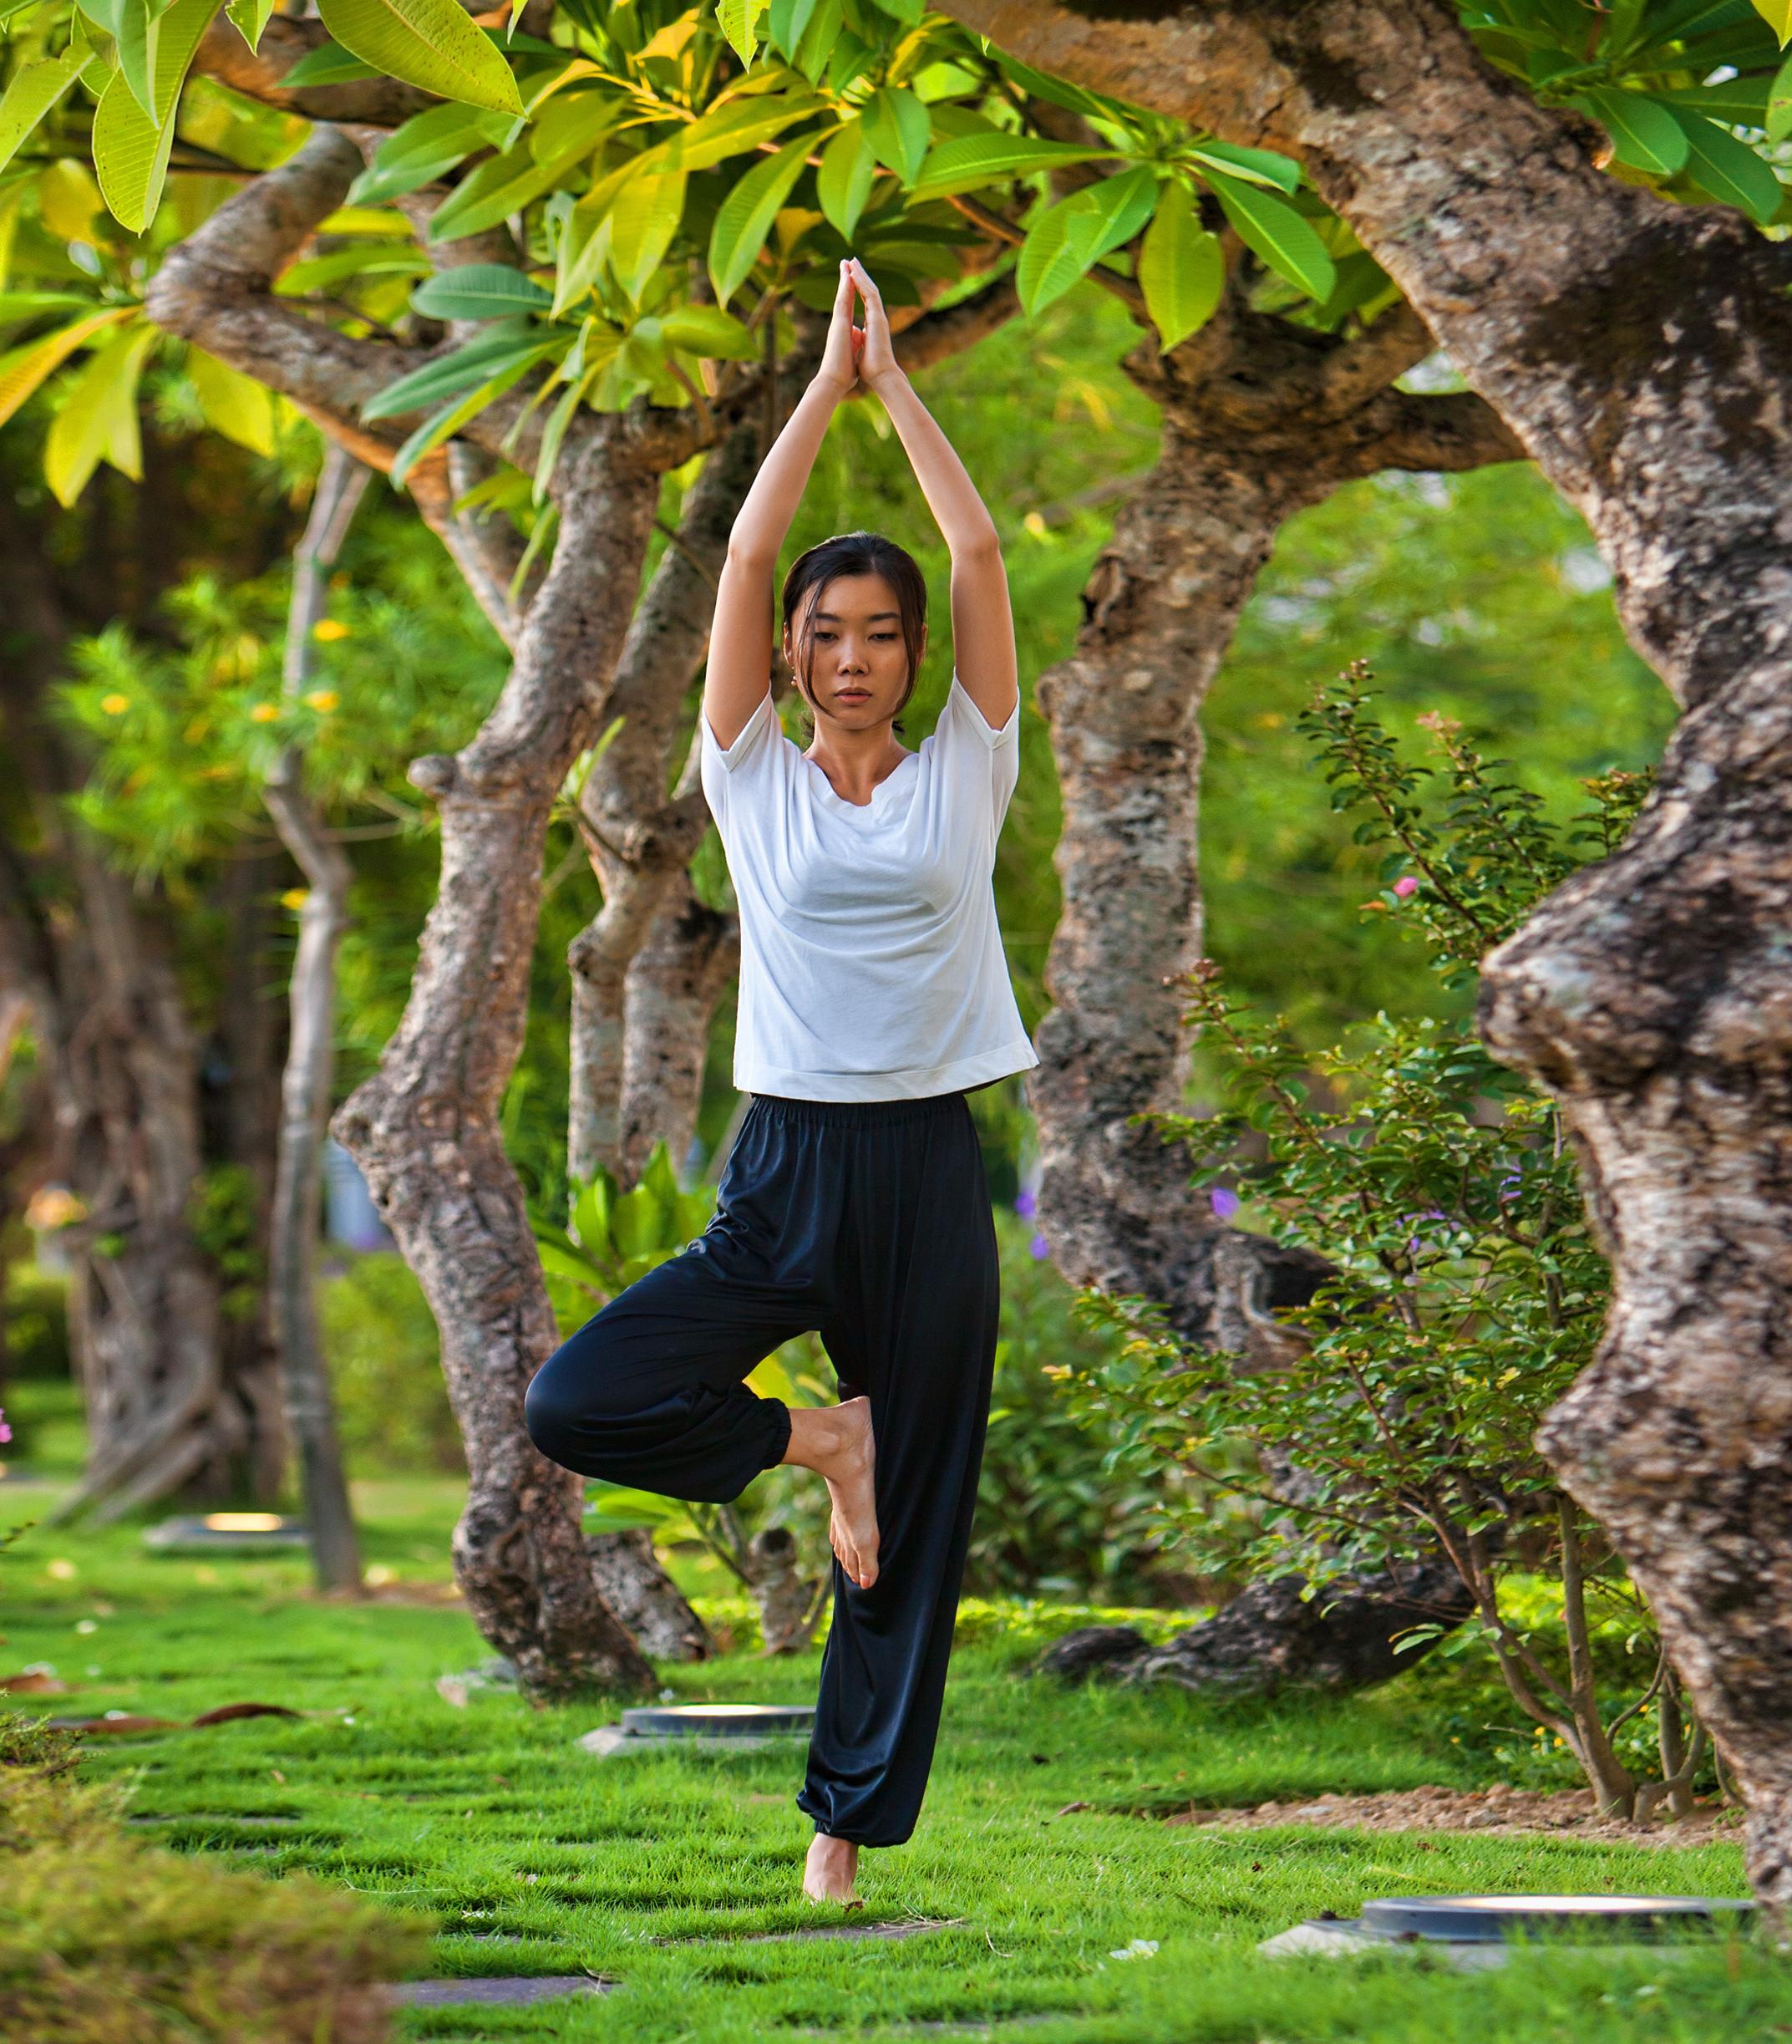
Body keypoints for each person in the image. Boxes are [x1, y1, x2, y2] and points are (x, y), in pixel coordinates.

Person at [523, 257, 1039, 1909]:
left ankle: (841, 1826)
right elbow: (746, 549)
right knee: (576, 1398)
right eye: (827, 632)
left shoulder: (971, 758)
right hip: (788, 1158)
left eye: (880, 635)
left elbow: (973, 550)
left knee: (921, 1523)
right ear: (794, 651)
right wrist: (824, 386)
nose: (853, 655)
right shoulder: (747, 771)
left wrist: (905, 395)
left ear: (914, 657)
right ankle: (823, 1437)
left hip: (928, 1164)